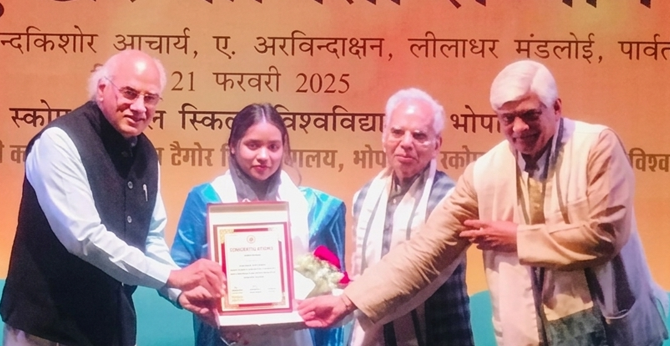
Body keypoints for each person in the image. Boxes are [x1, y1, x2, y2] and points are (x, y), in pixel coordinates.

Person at [299, 60, 669, 346]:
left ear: (556, 107)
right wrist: (348, 301)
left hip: (609, 330)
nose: (519, 128)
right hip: (532, 333)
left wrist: (518, 238)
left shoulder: (596, 146)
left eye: (530, 114)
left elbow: (605, 234)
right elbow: (426, 250)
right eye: (508, 118)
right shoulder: (487, 172)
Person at [0, 49, 225, 346]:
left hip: (111, 328)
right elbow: (84, 238)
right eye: (129, 93)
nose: (140, 107)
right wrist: (170, 277)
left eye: (150, 98)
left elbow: (151, 238)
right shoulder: (60, 142)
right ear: (102, 89)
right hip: (47, 330)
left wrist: (179, 292)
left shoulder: (146, 154)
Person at [171, 103, 346, 346]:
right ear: (233, 146)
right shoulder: (206, 199)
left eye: (273, 147)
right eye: (253, 145)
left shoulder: (316, 207)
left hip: (294, 336)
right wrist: (199, 301)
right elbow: (176, 269)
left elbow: (336, 282)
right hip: (226, 337)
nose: (264, 156)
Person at [348, 89, 473, 346]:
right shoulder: (364, 196)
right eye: (397, 132)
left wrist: (345, 302)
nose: (406, 143)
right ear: (384, 136)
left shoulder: (450, 199)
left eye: (419, 135)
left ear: (437, 145)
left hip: (438, 336)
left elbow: (421, 270)